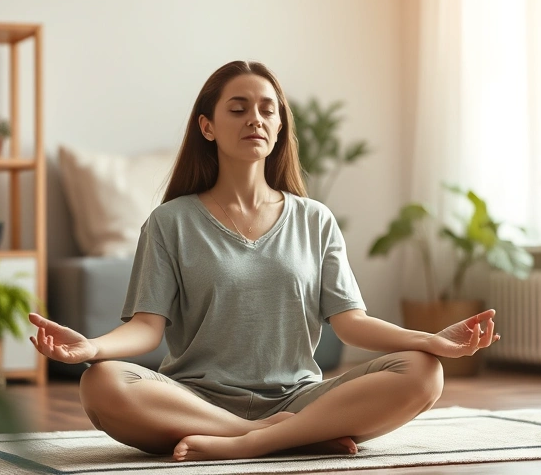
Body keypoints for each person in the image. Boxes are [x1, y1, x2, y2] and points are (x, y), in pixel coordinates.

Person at [29, 60, 501, 462]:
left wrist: (432, 341)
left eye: (266, 110)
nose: (254, 118)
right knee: (101, 384)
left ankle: (247, 444)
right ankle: (283, 437)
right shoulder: (170, 222)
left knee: (424, 373)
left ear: (279, 129)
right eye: (238, 108)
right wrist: (92, 349)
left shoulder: (315, 220)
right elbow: (147, 328)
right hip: (193, 400)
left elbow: (351, 324)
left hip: (300, 398)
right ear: (207, 126)